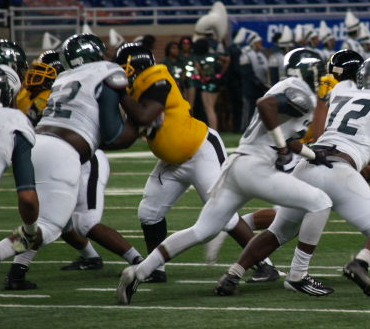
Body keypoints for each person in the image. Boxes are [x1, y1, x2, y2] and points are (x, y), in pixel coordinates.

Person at [213, 57, 370, 298]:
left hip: (309, 162)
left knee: (278, 231)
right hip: (339, 170)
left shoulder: (342, 91)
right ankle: (358, 263)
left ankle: (232, 275)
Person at [117, 48, 335, 304]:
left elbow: (285, 133)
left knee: (202, 231)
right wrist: (283, 147)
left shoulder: (284, 87)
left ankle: (138, 272)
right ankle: (298, 276)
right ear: (311, 72)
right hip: (257, 169)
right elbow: (265, 107)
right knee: (321, 202)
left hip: (237, 165)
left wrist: (312, 154)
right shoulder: (301, 92)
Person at [114, 43, 277, 284]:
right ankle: (155, 269)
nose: (119, 73)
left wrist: (118, 93)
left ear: (135, 66)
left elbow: (143, 116)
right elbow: (127, 136)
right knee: (149, 213)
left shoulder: (158, 79)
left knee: (223, 213)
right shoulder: (135, 89)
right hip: (172, 161)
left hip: (201, 150)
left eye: (122, 67)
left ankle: (265, 265)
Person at [0, 33, 139, 289]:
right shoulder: (104, 71)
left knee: (41, 220)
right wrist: (141, 121)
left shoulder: (64, 77)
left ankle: (17, 273)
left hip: (38, 142)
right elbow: (114, 135)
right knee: (48, 226)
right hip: (64, 152)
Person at [0, 62, 39, 275]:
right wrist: (30, 232)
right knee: (48, 227)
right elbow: (28, 198)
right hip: (62, 168)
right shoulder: (15, 119)